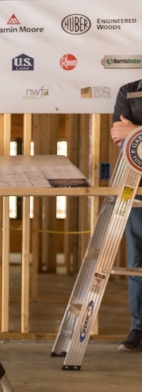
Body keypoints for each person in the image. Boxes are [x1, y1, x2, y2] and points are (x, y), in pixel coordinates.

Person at [110, 78, 142, 352]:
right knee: (137, 264)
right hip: (138, 191)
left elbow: (131, 137)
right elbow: (121, 139)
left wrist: (137, 131)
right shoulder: (129, 91)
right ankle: (138, 331)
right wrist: (133, 135)